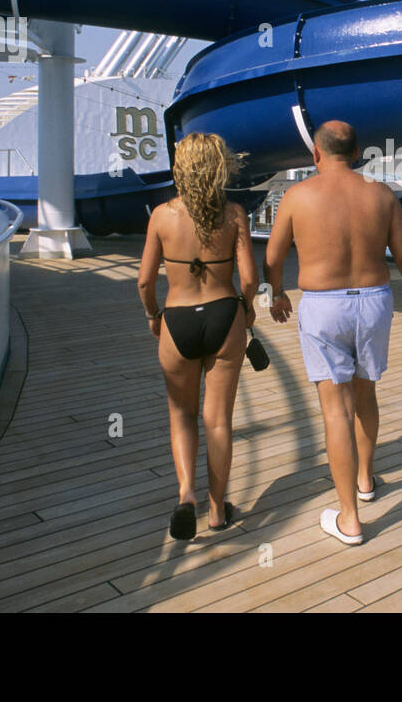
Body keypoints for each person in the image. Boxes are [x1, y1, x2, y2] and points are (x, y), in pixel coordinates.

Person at [264, 120, 402, 546]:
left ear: (316, 154)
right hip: (374, 300)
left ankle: (350, 518)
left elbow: (272, 256)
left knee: (335, 410)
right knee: (366, 393)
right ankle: (365, 479)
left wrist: (277, 294)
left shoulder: (297, 196)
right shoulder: (381, 195)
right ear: (357, 153)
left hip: (324, 305)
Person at [138, 132, 257, 540]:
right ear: (219, 167)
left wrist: (154, 315)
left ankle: (186, 494)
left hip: (178, 320)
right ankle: (216, 510)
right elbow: (250, 278)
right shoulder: (235, 214)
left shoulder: (160, 215)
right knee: (218, 419)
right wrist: (249, 306)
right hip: (225, 315)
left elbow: (143, 280)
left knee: (181, 415)